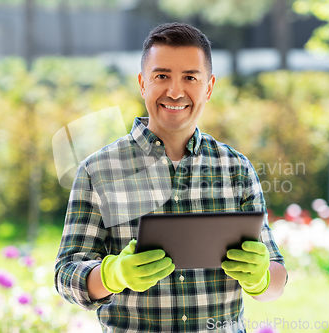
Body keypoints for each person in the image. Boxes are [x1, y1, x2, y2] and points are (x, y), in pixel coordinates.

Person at [55, 22, 287, 332]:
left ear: (209, 87)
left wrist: (262, 278)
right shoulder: (98, 170)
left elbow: (278, 279)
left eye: (190, 77)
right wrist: (114, 275)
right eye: (161, 76)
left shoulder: (237, 169)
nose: (175, 91)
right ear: (142, 83)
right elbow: (66, 275)